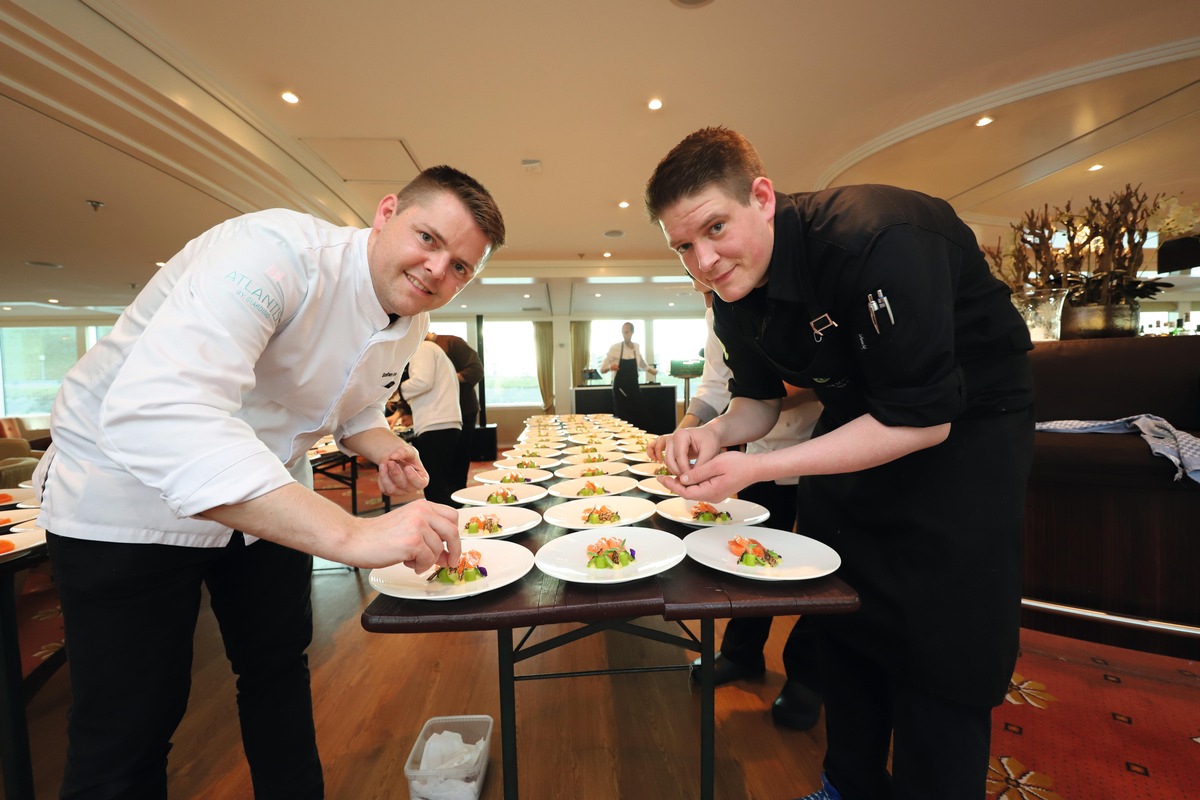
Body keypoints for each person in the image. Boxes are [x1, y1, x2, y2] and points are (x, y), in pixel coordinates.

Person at [33, 165, 505, 799]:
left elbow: (351, 405)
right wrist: (351, 534)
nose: (437, 271)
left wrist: (382, 444)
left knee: (278, 673)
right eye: (428, 238)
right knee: (128, 728)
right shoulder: (272, 254)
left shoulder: (410, 323)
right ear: (387, 212)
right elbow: (163, 413)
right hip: (126, 496)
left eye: (460, 267)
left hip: (269, 497)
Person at [645, 127, 1034, 800]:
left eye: (714, 228)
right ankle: (846, 782)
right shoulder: (736, 297)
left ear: (761, 197)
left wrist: (756, 470)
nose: (702, 261)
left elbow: (923, 417)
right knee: (840, 602)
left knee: (941, 634)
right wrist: (715, 437)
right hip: (858, 422)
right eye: (683, 245)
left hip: (968, 431)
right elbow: (758, 402)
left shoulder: (878, 236)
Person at [682, 289, 825, 730]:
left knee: (822, 574)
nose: (702, 285)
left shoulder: (801, 297)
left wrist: (764, 393)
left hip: (825, 450)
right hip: (759, 452)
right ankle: (741, 652)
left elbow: (816, 379)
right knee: (750, 559)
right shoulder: (719, 314)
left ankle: (808, 678)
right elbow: (714, 386)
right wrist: (686, 429)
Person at [401, 332, 463, 506]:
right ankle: (451, 523)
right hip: (444, 422)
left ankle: (444, 527)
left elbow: (422, 381)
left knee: (434, 484)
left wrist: (398, 390)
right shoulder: (434, 350)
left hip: (436, 424)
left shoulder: (422, 348)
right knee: (443, 481)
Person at [431, 332, 484, 489]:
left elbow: (476, 369)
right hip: (438, 413)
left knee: (459, 457)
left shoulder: (452, 343)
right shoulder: (416, 349)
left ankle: (457, 498)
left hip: (464, 410)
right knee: (440, 462)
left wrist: (449, 378)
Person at [599, 321, 656, 426]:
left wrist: (651, 371)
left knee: (640, 415)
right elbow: (602, 369)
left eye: (627, 332)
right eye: (623, 332)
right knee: (622, 418)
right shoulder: (615, 348)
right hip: (620, 389)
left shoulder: (636, 347)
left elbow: (641, 362)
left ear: (632, 332)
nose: (625, 335)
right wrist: (610, 367)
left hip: (634, 387)